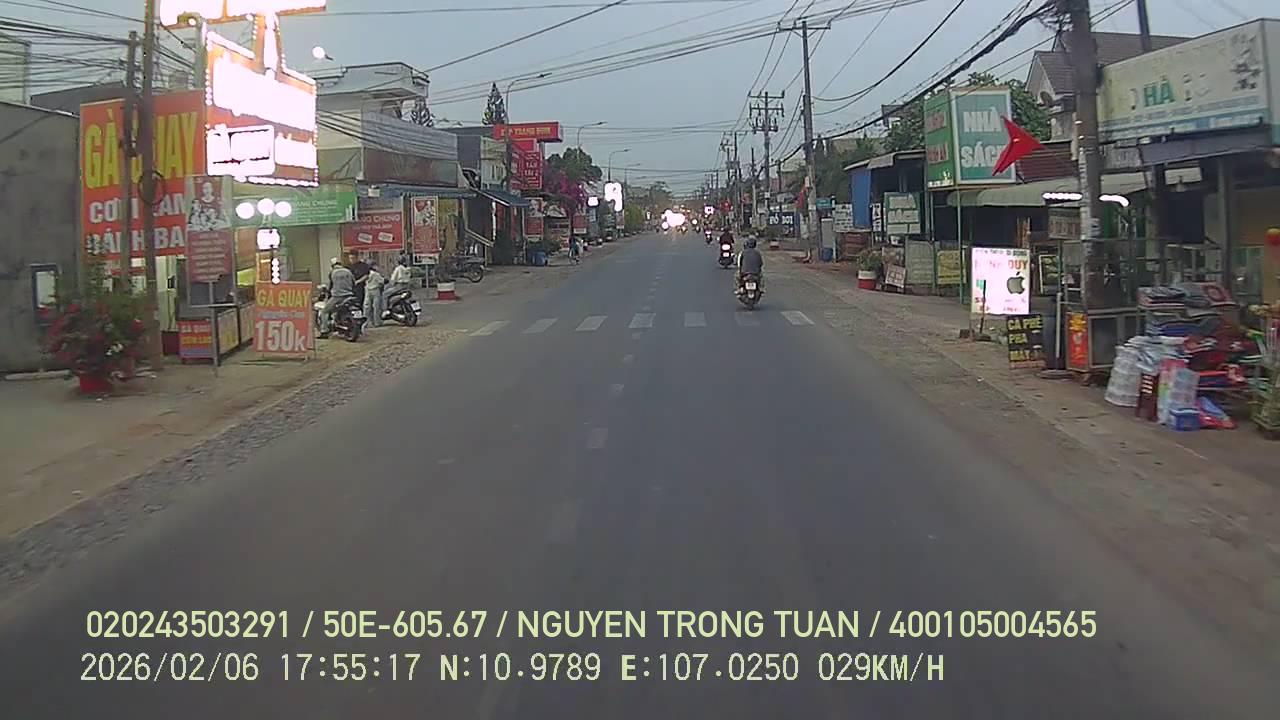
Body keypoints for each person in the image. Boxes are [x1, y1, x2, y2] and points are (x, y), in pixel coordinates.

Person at [320, 257, 355, 338]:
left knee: (324, 311)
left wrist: (328, 292)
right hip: (349, 295)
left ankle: (324, 331)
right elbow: (354, 283)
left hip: (337, 297)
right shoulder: (348, 271)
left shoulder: (332, 273)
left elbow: (330, 286)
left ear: (332, 265)